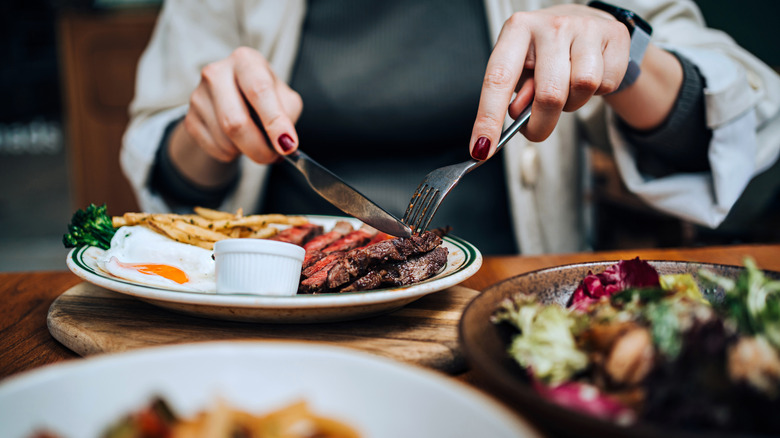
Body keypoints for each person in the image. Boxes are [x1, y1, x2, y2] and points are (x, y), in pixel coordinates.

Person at [122, 0, 780, 255]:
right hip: (278, 315)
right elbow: (167, 172)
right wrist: (205, 133)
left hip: (504, 312)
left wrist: (625, 54)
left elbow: (748, 134)